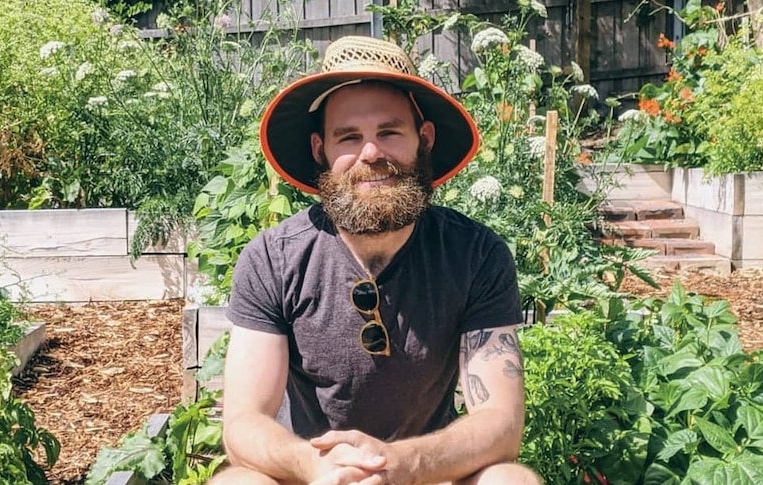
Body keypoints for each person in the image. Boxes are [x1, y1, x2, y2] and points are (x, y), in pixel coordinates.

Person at [209, 35, 542, 485]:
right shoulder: (274, 258)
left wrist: (402, 464)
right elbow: (244, 422)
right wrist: (313, 464)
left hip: (424, 474)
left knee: (510, 480)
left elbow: (501, 420)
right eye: (349, 137)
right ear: (319, 149)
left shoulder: (475, 254)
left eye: (389, 132)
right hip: (313, 474)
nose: (371, 154)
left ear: (423, 139)